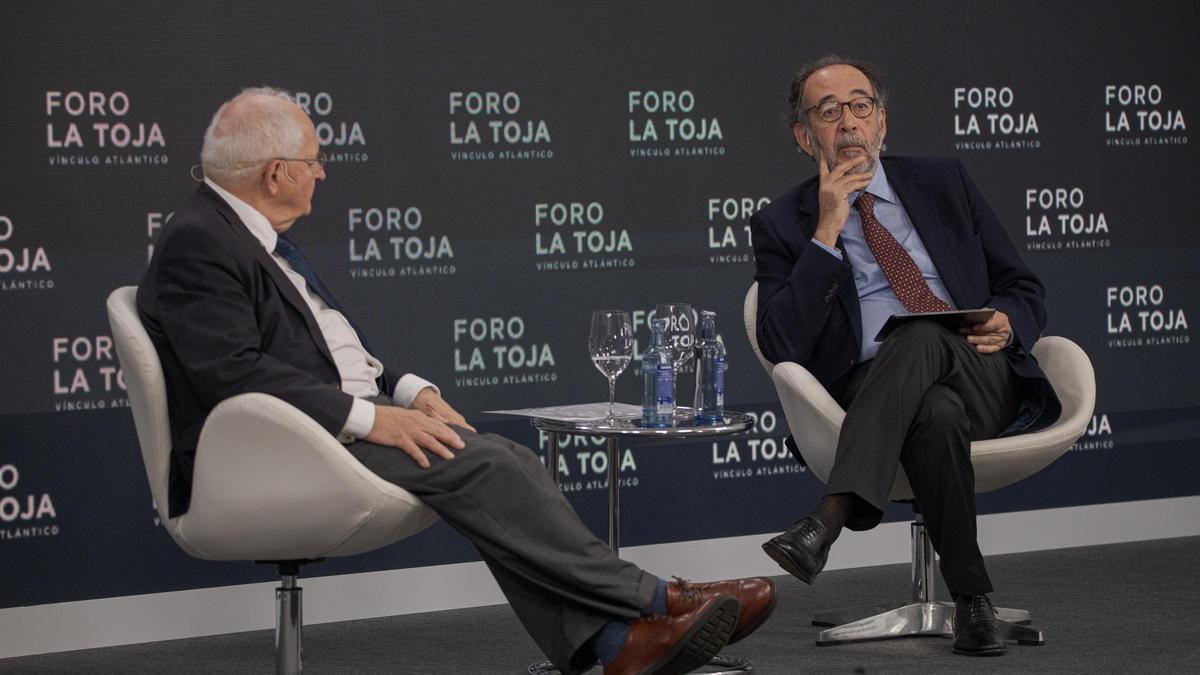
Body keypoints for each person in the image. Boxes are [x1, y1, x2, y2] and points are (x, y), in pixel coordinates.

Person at [138, 87, 775, 675]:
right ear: (277, 173)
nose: (323, 173)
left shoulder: (252, 237)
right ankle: (658, 599)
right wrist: (374, 418)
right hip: (279, 452)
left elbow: (327, 352)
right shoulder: (201, 241)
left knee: (507, 462)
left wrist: (408, 391)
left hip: (325, 427)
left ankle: (618, 645)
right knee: (489, 469)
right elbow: (233, 374)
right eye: (314, 161)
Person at [751, 56, 1060, 657]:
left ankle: (829, 517)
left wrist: (1008, 320)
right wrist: (827, 229)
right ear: (804, 136)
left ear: (882, 121)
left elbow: (1022, 286)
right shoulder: (783, 224)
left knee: (920, 335)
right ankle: (972, 603)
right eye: (828, 111)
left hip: (980, 371)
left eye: (860, 106)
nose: (848, 122)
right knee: (935, 412)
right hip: (871, 389)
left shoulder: (943, 181)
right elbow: (781, 346)